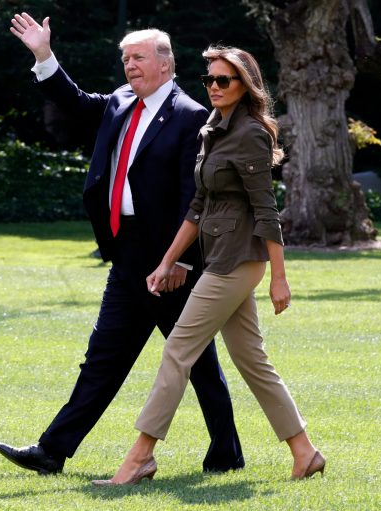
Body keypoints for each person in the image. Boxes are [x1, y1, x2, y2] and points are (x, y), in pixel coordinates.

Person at [0, 13, 244, 475]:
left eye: (139, 58)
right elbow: (72, 100)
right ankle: (52, 451)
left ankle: (226, 453)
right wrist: (43, 55)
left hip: (170, 257)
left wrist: (181, 262)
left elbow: (197, 199)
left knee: (192, 359)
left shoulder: (191, 117)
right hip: (126, 255)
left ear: (166, 65)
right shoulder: (119, 103)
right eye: (125, 58)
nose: (129, 66)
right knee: (104, 357)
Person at [92, 46, 326, 486]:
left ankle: (140, 457)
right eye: (210, 80)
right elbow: (197, 206)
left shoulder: (252, 134)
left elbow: (266, 210)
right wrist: (168, 261)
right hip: (217, 256)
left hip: (238, 261)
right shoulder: (212, 130)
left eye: (225, 81)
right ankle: (305, 452)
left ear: (245, 85)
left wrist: (279, 277)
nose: (214, 88)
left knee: (177, 350)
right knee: (251, 359)